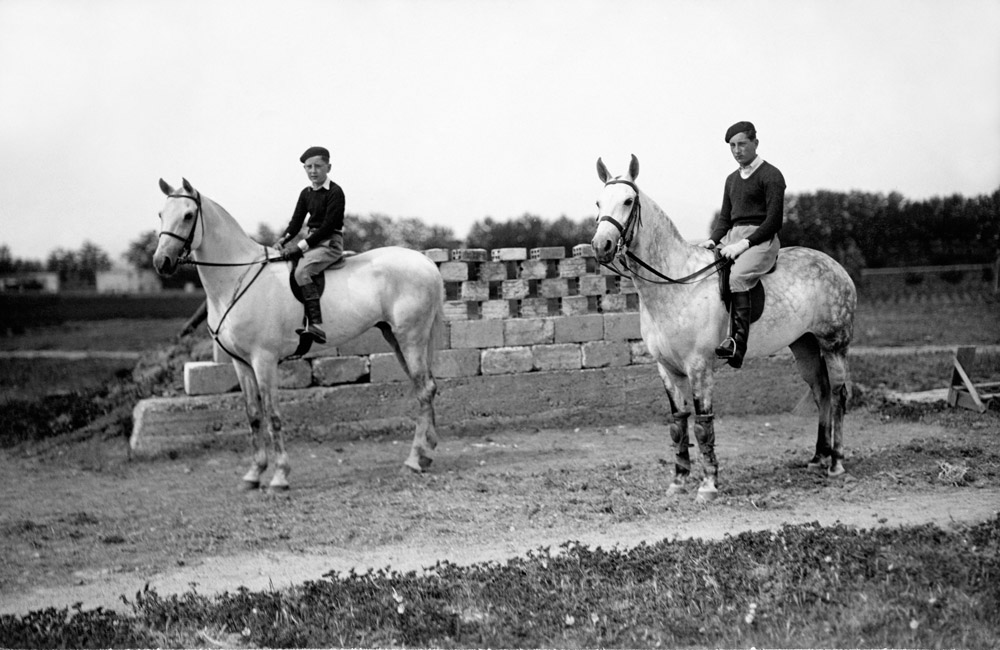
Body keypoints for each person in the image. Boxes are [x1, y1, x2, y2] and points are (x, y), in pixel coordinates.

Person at [698, 121, 785, 369]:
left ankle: (737, 345)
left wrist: (745, 244)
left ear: (755, 143)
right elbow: (725, 218)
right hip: (733, 236)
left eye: (742, 144)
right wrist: (713, 240)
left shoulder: (771, 175)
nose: (737, 150)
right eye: (733, 146)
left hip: (761, 238)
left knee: (736, 277)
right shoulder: (731, 179)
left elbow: (774, 221)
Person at [275, 146, 346, 345]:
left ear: (328, 167)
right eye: (308, 167)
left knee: (301, 273)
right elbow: (296, 222)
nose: (313, 171)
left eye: (318, 166)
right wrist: (283, 239)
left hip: (329, 242)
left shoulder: (335, 192)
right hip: (313, 242)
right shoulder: (305, 193)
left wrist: (301, 246)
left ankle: (316, 324)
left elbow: (327, 226)